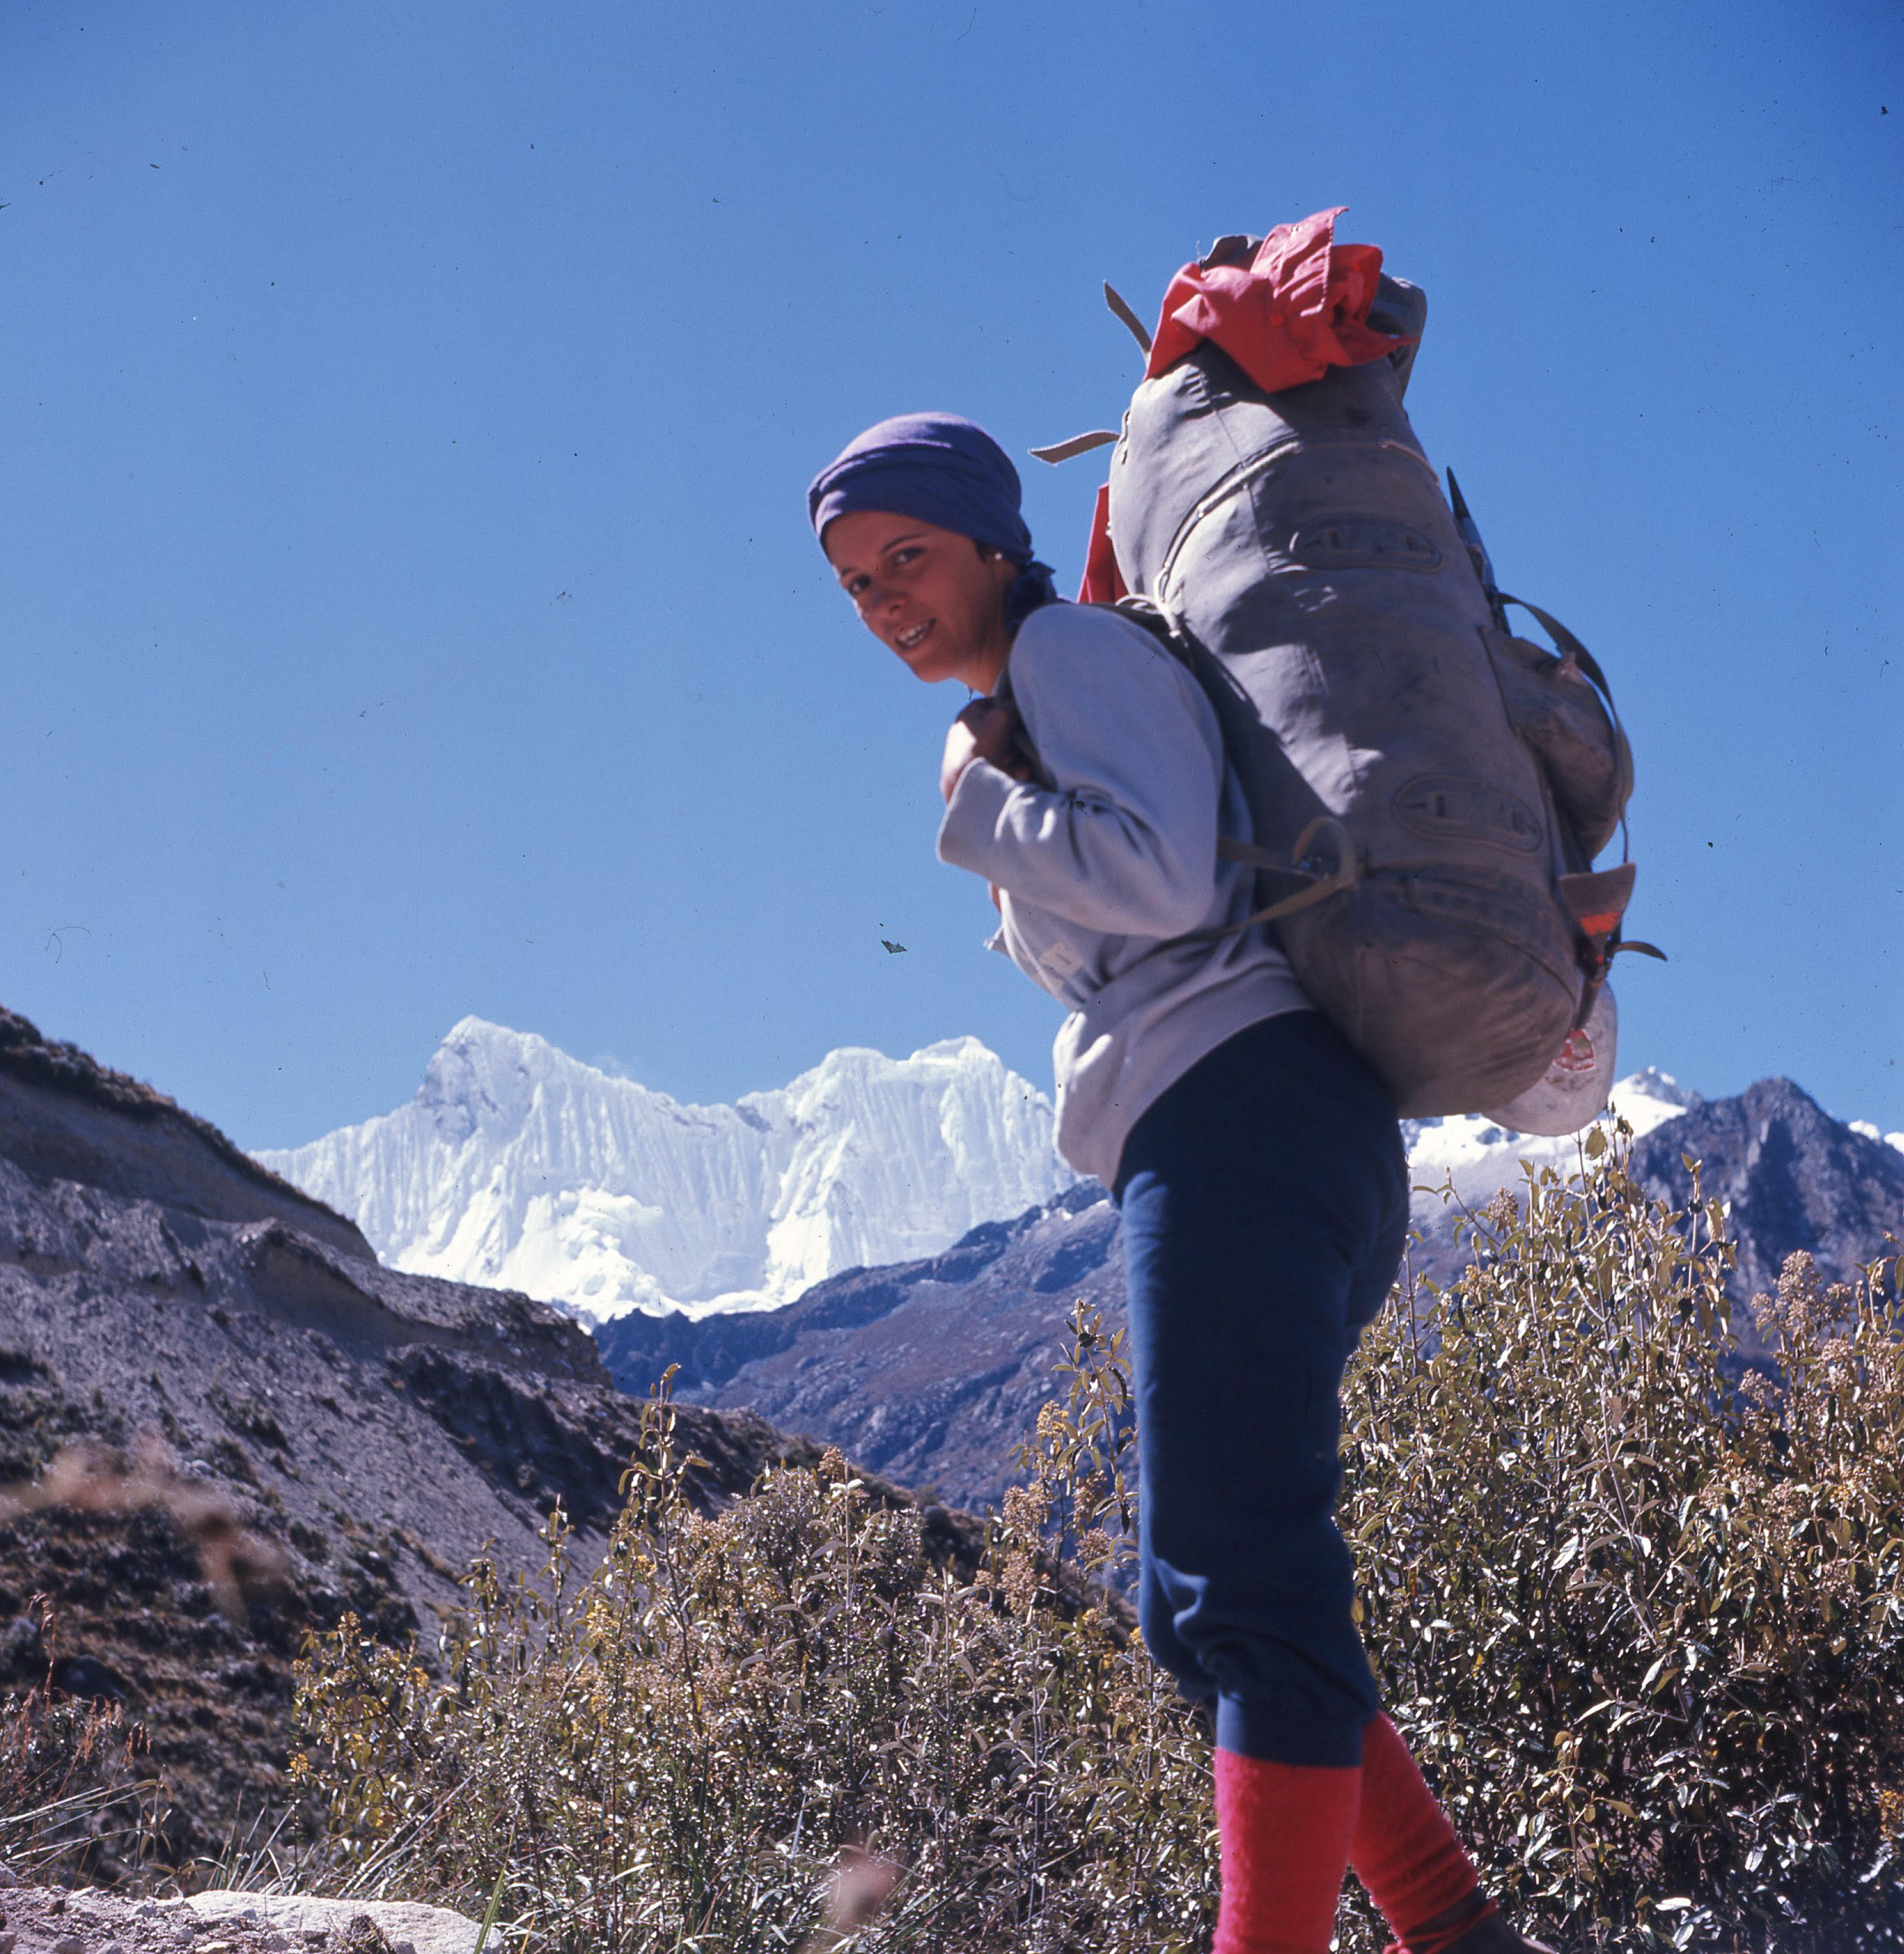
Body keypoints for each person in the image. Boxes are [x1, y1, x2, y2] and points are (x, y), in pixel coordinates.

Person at [807, 412, 1549, 1954]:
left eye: (907, 557)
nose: (882, 602)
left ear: (991, 543)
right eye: (854, 583)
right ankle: (1456, 1934)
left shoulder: (1068, 655)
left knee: (1236, 1585)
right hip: (1254, 1133)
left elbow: (1159, 880)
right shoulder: (1040, 690)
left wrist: (976, 810)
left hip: (1237, 1120)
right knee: (1198, 1595)